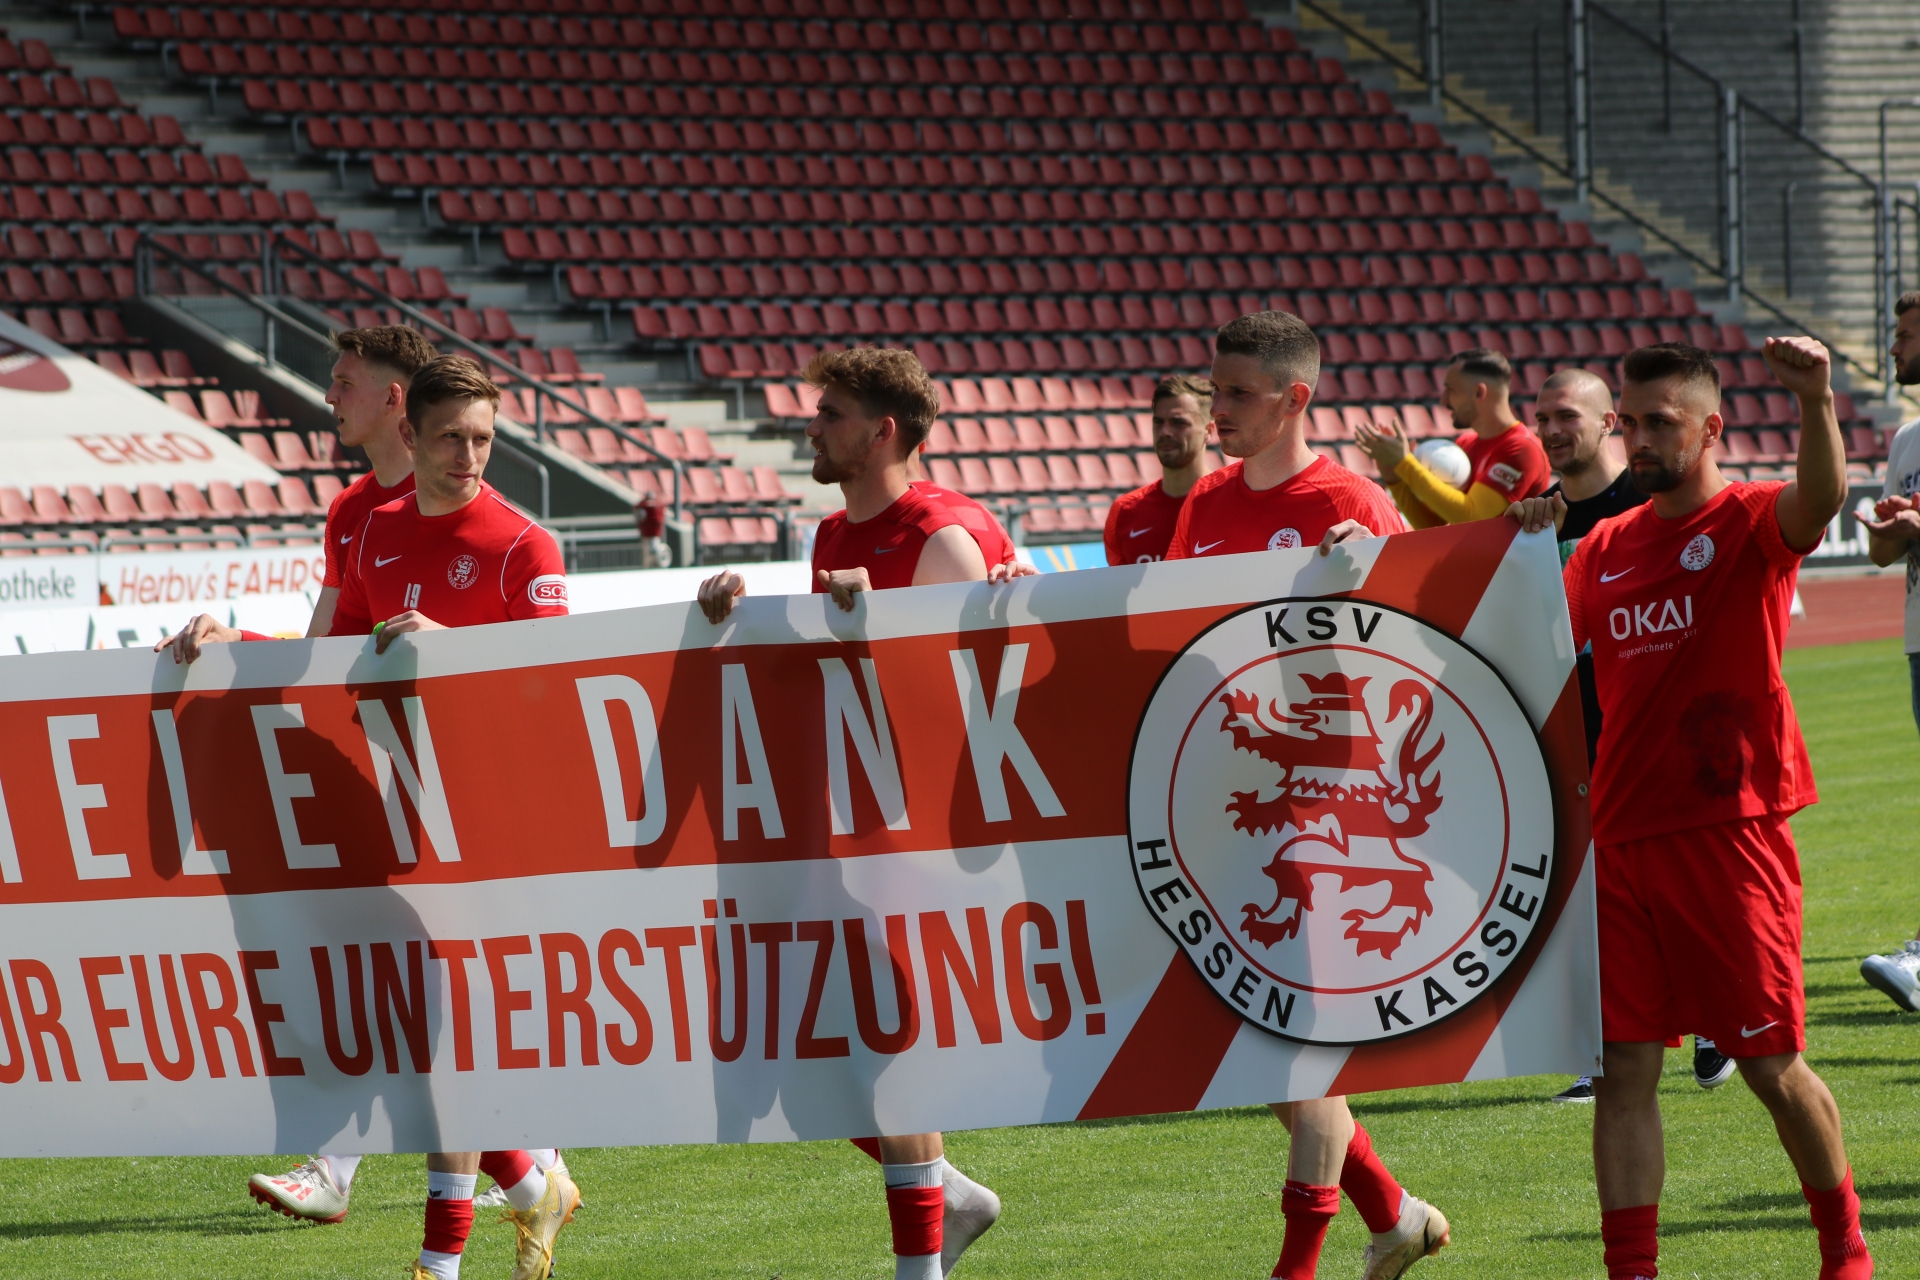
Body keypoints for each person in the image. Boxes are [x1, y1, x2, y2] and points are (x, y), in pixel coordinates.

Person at [1510, 339, 1870, 1280]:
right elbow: (1520, 641)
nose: (1638, 438)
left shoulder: (1747, 520)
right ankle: (1632, 1269)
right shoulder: (1603, 549)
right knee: (1623, 1072)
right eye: (1630, 422)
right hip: (1618, 843)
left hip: (1728, 835)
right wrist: (1513, 548)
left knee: (1770, 1066)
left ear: (1710, 428)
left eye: (1660, 422)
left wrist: (1817, 401)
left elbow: (1821, 500)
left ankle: (1844, 1247)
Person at [698, 348, 1002, 1280]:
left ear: (882, 433)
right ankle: (950, 1196)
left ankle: (921, 1263)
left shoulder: (942, 537)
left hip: (924, 834)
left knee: (885, 1048)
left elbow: (968, 705)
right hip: (847, 824)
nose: (812, 427)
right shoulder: (833, 535)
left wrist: (881, 630)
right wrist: (734, 621)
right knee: (808, 1058)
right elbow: (833, 675)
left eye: (830, 414)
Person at [1166, 312, 1446, 1280]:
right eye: (1215, 389)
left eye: (1237, 393)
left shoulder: (1353, 501)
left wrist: (1376, 579)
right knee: (1264, 1054)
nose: (1217, 409)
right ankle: (1396, 1216)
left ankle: (1300, 1267)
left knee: (1295, 1055)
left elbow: (1431, 636)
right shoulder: (1204, 502)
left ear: (1294, 399)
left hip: (1329, 806)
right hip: (1229, 797)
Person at [335, 356, 579, 1280]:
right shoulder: (375, 531)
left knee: (449, 1039)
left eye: (483, 438)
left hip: (496, 821)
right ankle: (530, 1182)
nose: (469, 455)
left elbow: (554, 685)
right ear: (412, 435)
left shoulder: (523, 545)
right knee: (414, 1036)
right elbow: (336, 659)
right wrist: (233, 647)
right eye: (451, 437)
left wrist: (456, 651)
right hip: (402, 809)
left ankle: (441, 1263)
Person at [1528, 369, 1733, 1104]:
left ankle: (1712, 1021)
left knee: (1683, 890)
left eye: (1566, 416)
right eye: (1541, 418)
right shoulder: (1533, 518)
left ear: (1608, 423)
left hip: (1656, 734)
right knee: (1590, 899)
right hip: (1572, 733)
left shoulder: (1649, 502)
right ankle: (1601, 1050)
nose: (1551, 430)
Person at [157, 324, 437, 666]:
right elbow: (316, 654)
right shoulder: (346, 507)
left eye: (346, 383)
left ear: (392, 398)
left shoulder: (458, 500)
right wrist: (233, 640)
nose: (330, 395)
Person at [1858, 290, 1920, 1011]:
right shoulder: (1907, 439)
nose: (1894, 347)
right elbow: (1881, 553)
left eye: (1905, 334)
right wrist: (1893, 526)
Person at [1354, 348, 1549, 527]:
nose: (1443, 399)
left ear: (1479, 393)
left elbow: (1472, 517)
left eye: (1451, 390)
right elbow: (1433, 528)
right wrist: (1394, 477)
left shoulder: (1523, 449)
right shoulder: (1465, 444)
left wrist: (1404, 463)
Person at [1104, 373, 1216, 564]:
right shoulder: (1125, 511)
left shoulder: (1231, 503)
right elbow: (1117, 583)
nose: (1165, 432)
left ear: (1208, 430)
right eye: (1158, 422)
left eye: (1178, 422)